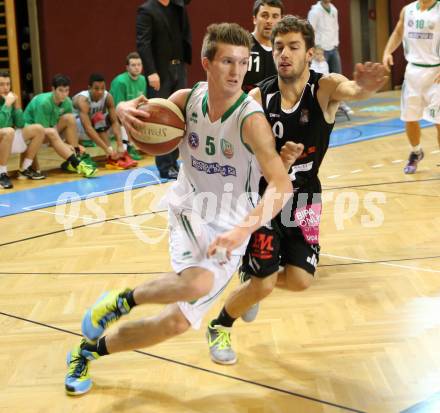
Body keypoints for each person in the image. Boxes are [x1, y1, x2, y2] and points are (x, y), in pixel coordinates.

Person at [64, 22, 302, 396]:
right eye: (227, 61)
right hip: (190, 206)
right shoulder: (187, 100)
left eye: (242, 62)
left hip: (232, 225)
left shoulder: (250, 120)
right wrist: (126, 108)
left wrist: (243, 230)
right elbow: (138, 109)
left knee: (175, 323)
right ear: (206, 63)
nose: (237, 71)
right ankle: (119, 302)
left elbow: (282, 185)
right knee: (199, 281)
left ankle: (87, 351)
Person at [206, 15, 388, 365]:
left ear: (309, 53)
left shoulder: (325, 87)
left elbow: (354, 90)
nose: (284, 54)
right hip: (265, 196)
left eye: (293, 47)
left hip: (305, 196)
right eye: (278, 47)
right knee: (266, 282)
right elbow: (245, 156)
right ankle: (221, 323)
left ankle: (250, 278)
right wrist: (277, 163)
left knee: (302, 280)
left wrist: (366, 88)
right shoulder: (259, 95)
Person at [382, 0, 440, 174]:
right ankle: (416, 152)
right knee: (409, 117)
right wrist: (387, 51)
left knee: (439, 122)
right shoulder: (407, 10)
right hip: (413, 72)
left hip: (436, 72)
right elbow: (398, 32)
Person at [136, 0, 192, 179]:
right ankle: (164, 166)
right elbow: (143, 43)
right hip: (160, 71)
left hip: (179, 67)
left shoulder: (178, 6)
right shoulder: (147, 10)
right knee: (159, 116)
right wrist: (151, 72)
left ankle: (174, 162)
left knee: (177, 116)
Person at [24, 74, 97, 178]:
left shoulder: (67, 102)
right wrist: (64, 145)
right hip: (32, 133)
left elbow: (67, 129)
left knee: (70, 118)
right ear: (53, 89)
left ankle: (76, 155)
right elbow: (43, 131)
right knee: (51, 132)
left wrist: (72, 145)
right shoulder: (44, 103)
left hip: (50, 130)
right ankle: (75, 162)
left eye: (66, 90)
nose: (64, 94)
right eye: (61, 90)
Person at [73, 73, 136, 170]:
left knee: (118, 115)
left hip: (95, 126)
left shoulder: (108, 97)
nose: (100, 91)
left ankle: (122, 151)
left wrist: (119, 144)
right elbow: (88, 128)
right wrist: (106, 148)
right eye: (96, 88)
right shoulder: (83, 99)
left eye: (102, 88)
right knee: (98, 117)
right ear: (89, 88)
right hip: (77, 130)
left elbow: (114, 121)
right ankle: (110, 154)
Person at [0, 71, 48, 189]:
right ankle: (2, 174)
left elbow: (20, 124)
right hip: (4, 134)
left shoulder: (10, 100)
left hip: (7, 138)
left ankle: (24, 169)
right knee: (9, 131)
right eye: (1, 84)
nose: (6, 88)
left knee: (38, 129)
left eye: (8, 84)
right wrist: (6, 105)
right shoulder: (7, 102)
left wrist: (16, 107)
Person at [308, 0, 353, 115]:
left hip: (333, 48)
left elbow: (335, 28)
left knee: (338, 77)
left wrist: (335, 44)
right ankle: (320, 107)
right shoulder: (314, 11)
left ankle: (341, 103)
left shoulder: (334, 10)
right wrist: (315, 48)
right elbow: (310, 30)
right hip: (320, 51)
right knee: (321, 80)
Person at [109, 52, 146, 162]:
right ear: (127, 67)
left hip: (133, 112)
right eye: (133, 65)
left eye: (139, 64)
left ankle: (135, 145)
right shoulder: (120, 81)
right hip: (113, 116)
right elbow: (116, 107)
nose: (137, 68)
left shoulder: (143, 80)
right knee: (125, 118)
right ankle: (126, 149)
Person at [242, 0, 283, 93]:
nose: (269, 21)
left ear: (281, 20)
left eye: (275, 16)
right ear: (254, 19)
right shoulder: (241, 45)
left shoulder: (284, 51)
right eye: (264, 15)